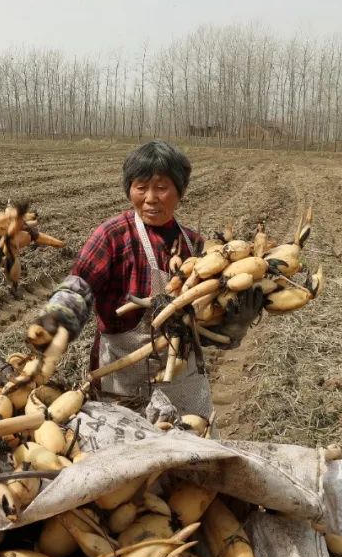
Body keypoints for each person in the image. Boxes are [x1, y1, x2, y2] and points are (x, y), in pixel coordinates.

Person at [29, 140, 262, 420]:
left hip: (182, 386)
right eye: (141, 187)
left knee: (192, 457)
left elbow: (206, 327)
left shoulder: (198, 247)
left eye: (162, 187)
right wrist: (58, 316)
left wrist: (233, 325)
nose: (150, 197)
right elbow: (80, 285)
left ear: (180, 191)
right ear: (129, 189)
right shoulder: (113, 235)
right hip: (121, 383)